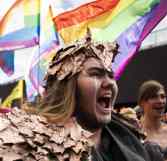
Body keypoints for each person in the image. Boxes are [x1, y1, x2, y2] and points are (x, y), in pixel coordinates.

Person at [0, 31, 150, 161]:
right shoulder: (31, 141)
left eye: (111, 76)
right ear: (68, 87)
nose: (109, 83)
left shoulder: (129, 134)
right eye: (95, 74)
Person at [138, 80, 167, 161]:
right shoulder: (135, 135)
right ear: (142, 102)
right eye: (154, 97)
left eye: (163, 96)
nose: (160, 101)